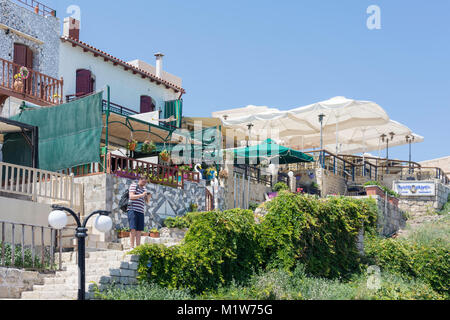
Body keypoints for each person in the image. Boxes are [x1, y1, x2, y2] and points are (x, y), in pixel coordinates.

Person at [128, 176, 151, 248]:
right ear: (140, 179)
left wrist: (148, 197)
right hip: (132, 209)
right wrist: (142, 195)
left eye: (146, 182)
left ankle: (138, 247)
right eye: (143, 181)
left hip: (141, 211)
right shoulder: (134, 185)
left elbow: (147, 202)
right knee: (133, 228)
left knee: (139, 230)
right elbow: (131, 196)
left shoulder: (144, 189)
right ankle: (131, 247)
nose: (144, 183)